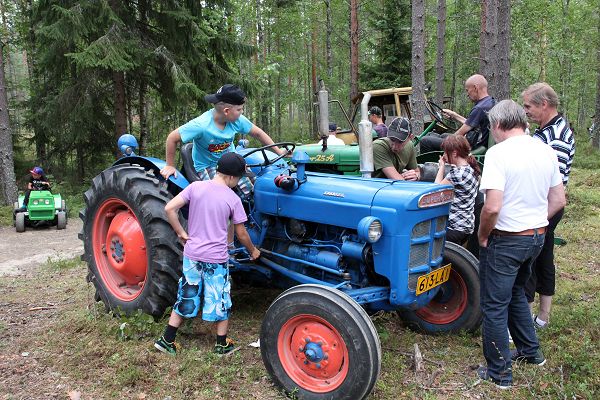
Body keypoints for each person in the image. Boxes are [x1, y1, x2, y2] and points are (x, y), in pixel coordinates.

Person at [476, 100, 566, 389]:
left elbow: (491, 207)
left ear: (499, 125)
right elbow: (559, 200)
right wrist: (536, 223)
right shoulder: (545, 149)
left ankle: (499, 373)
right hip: (536, 237)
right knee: (516, 293)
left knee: (493, 305)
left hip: (508, 239)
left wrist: (482, 235)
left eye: (491, 127)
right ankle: (531, 352)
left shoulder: (498, 154)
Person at [154, 152, 261, 356]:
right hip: (216, 258)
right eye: (238, 178)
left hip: (192, 255)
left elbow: (169, 208)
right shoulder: (233, 198)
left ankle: (167, 339)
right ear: (231, 177)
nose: (237, 182)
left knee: (186, 293)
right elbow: (241, 233)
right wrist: (253, 251)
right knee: (220, 296)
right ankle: (221, 344)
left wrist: (181, 233)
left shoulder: (195, 187)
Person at [159, 84, 285, 197]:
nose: (242, 112)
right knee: (219, 197)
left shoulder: (237, 120)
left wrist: (278, 151)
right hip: (208, 166)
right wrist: (170, 165)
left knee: (255, 191)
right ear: (226, 111)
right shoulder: (201, 125)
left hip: (231, 162)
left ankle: (250, 219)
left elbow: (258, 133)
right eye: (239, 109)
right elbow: (172, 137)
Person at [521, 82, 575, 329]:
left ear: (544, 104)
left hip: (545, 207)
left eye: (528, 106)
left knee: (528, 261)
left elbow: (557, 186)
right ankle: (541, 318)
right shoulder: (545, 130)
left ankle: (523, 322)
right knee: (543, 257)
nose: (526, 111)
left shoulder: (557, 136)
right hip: (540, 206)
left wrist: (538, 216)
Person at [420, 74, 495, 153]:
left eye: (467, 90)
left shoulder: (479, 108)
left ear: (475, 88)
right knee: (441, 136)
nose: (467, 94)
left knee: (425, 141)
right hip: (477, 142)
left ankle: (432, 164)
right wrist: (454, 115)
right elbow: (472, 124)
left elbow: (459, 133)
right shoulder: (489, 102)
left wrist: (448, 141)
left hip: (471, 148)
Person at [434, 135, 480, 244]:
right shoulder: (471, 168)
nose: (444, 156)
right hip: (466, 225)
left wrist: (441, 167)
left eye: (446, 152)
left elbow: (435, 191)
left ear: (454, 153)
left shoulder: (457, 174)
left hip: (454, 227)